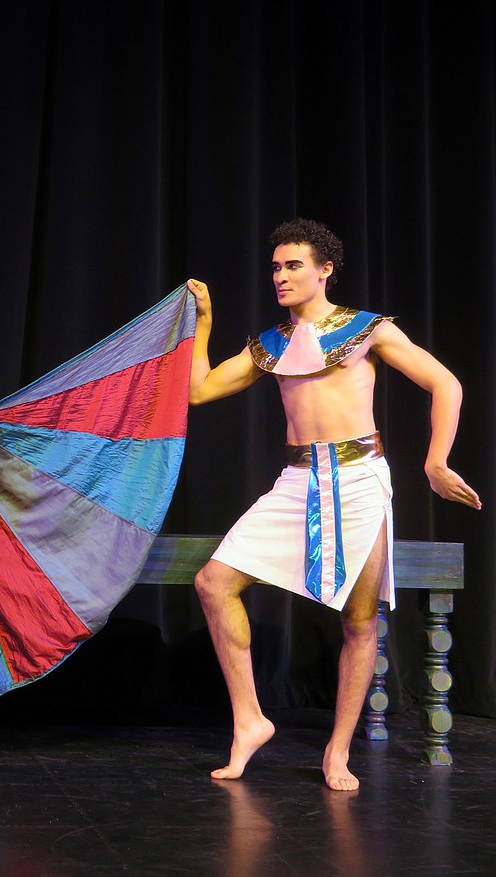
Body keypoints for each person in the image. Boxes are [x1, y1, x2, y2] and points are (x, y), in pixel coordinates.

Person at [187, 218, 481, 791]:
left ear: (324, 270)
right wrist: (204, 325)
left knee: (360, 620)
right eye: (275, 266)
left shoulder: (368, 329)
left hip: (358, 480)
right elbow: (200, 390)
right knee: (212, 583)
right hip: (296, 482)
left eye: (293, 265)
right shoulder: (268, 344)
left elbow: (446, 383)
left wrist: (435, 461)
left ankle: (337, 752)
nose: (281, 275)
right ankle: (249, 720)